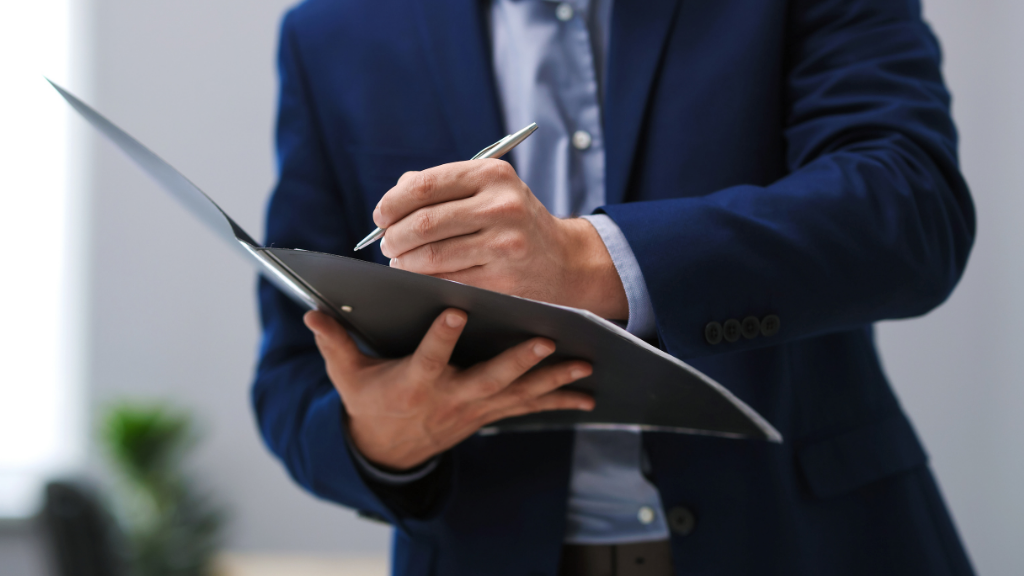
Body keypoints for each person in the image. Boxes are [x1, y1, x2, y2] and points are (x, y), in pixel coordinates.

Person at [252, 0, 977, 574]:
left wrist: (590, 260)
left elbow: (910, 209)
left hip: (808, 542)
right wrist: (379, 439)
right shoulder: (330, 33)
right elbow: (292, 368)